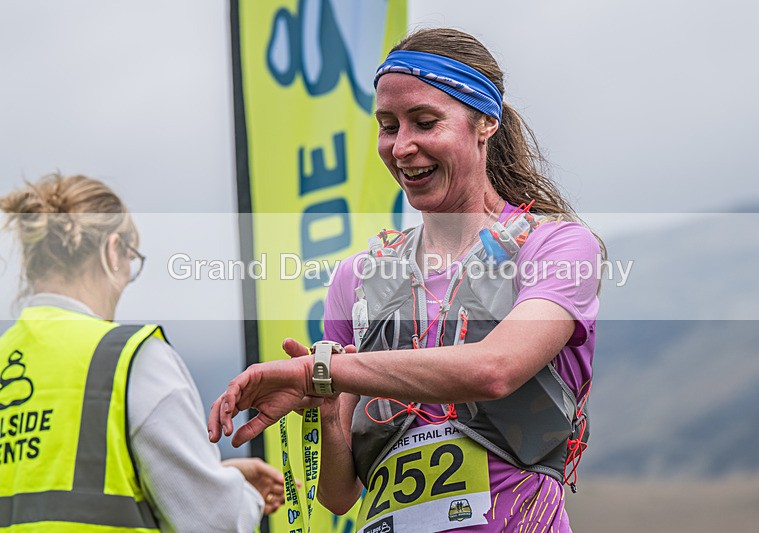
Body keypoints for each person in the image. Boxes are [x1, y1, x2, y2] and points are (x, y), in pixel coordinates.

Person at [209, 28, 602, 532]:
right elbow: (339, 494)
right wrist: (328, 412)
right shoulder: (358, 278)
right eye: (388, 126)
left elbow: (495, 369)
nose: (402, 146)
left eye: (425, 122)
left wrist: (320, 373)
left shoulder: (557, 247)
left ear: (485, 122)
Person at [0, 173, 285, 532]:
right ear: (113, 251)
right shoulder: (130, 359)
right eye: (132, 259)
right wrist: (244, 496)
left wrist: (215, 477)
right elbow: (215, 523)